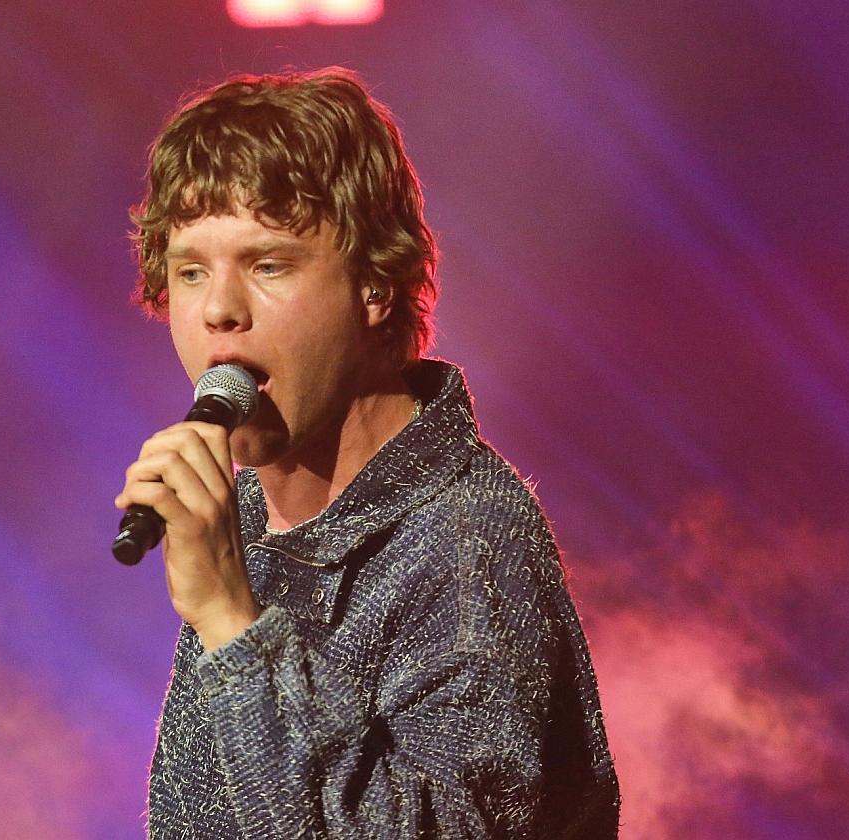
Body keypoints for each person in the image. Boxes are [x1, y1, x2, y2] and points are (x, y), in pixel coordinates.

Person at [114, 67, 620, 838]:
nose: (218, 309)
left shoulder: (463, 536)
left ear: (375, 285)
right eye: (190, 271)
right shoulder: (242, 516)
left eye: (268, 264)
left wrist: (233, 624)